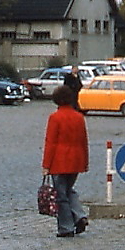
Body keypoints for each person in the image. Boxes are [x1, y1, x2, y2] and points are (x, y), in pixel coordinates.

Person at [41, 85, 89, 238]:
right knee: (68, 190)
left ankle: (66, 227)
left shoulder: (54, 118)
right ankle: (79, 215)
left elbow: (51, 143)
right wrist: (85, 162)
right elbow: (84, 141)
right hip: (76, 160)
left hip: (59, 161)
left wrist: (46, 165)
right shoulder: (79, 117)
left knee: (61, 195)